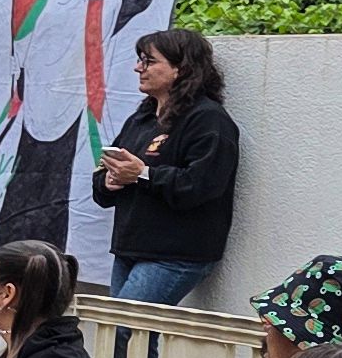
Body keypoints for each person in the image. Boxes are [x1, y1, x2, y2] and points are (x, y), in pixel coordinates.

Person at [97, 27, 241, 306]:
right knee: (129, 338)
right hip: (130, 248)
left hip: (176, 254)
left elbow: (199, 186)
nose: (138, 68)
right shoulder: (141, 119)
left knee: (122, 331)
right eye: (140, 60)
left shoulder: (209, 120)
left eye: (149, 61)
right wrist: (109, 181)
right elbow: (103, 173)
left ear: (180, 69)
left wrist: (142, 173)